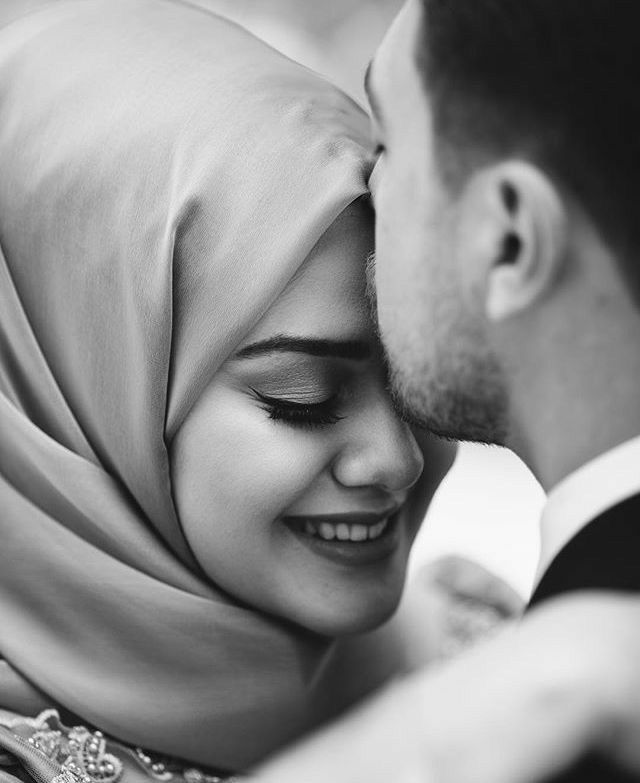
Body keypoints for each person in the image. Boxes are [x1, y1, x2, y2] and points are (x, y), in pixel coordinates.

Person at [0, 0, 463, 780]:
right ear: (76, 390)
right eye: (302, 395)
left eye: (420, 376)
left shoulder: (501, 644)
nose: (396, 458)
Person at [257, 0, 640, 780]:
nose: (361, 184)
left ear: (510, 240)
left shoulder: (556, 724)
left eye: (390, 143)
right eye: (301, 395)